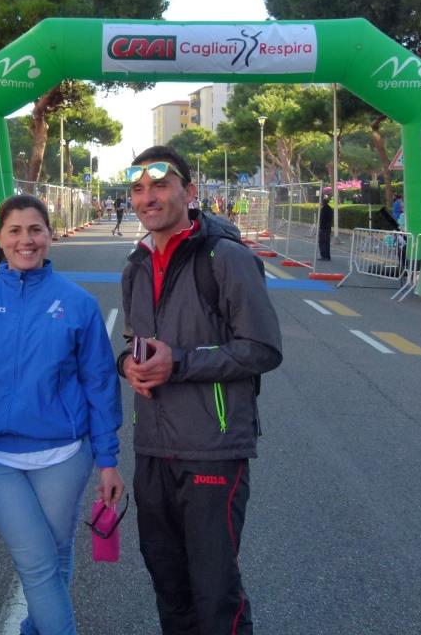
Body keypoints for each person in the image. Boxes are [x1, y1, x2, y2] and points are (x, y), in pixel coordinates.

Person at [118, 146, 282, 635]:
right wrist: (126, 364)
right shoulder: (136, 265)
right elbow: (134, 343)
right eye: (138, 189)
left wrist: (181, 363)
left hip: (212, 449)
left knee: (215, 594)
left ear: (189, 192)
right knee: (169, 587)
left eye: (160, 185)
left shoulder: (226, 257)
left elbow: (262, 348)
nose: (148, 197)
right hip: (152, 447)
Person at [0, 194, 124, 635]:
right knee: (38, 564)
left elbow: (100, 386)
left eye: (35, 230)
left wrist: (108, 459)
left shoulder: (77, 303)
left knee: (54, 555)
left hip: (64, 455)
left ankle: (33, 629)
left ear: (49, 234)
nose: (26, 240)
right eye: (15, 231)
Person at [318, 195, 334, 261]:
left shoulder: (324, 209)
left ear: (323, 202)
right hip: (328, 228)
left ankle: (324, 256)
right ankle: (327, 256)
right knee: (327, 242)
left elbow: (322, 219)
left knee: (322, 242)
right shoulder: (330, 208)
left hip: (323, 228)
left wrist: (320, 226)